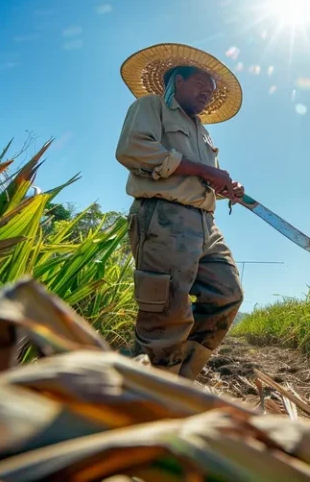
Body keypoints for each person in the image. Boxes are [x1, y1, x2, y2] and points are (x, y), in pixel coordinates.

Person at [115, 42, 245, 381]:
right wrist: (205, 172)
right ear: (177, 80)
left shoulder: (203, 132)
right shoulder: (151, 106)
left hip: (205, 223)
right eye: (201, 84)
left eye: (212, 90)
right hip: (164, 217)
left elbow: (202, 175)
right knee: (167, 309)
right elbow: (134, 150)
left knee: (227, 293)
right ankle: (153, 393)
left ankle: (180, 382)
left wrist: (225, 185)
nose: (207, 93)